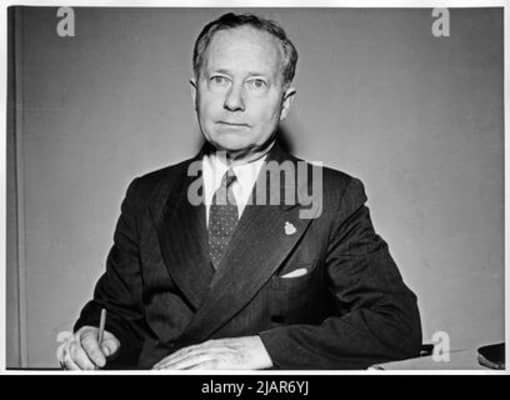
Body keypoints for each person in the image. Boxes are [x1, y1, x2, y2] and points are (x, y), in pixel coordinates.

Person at [57, 12, 422, 370]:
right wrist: (96, 337)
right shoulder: (147, 196)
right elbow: (116, 312)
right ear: (196, 92)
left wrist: (262, 350)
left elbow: (395, 325)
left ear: (285, 102)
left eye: (256, 83)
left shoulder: (329, 197)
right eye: (219, 79)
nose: (234, 101)